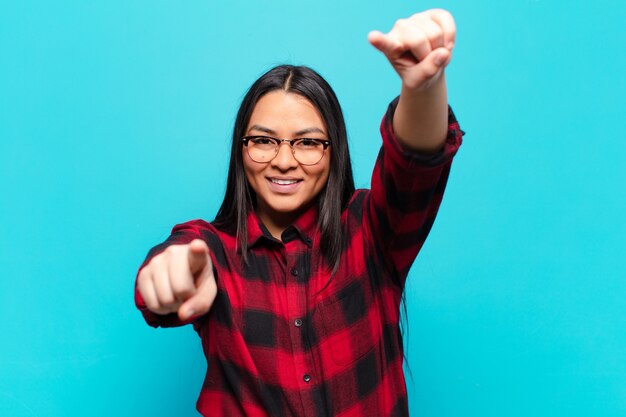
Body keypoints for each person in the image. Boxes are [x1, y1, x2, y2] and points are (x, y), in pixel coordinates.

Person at [134, 8, 464, 417]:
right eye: (263, 141)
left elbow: (414, 167)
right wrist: (168, 277)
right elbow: (171, 264)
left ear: (333, 151)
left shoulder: (369, 229)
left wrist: (424, 87)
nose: (284, 161)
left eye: (307, 143)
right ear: (241, 149)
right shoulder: (212, 251)